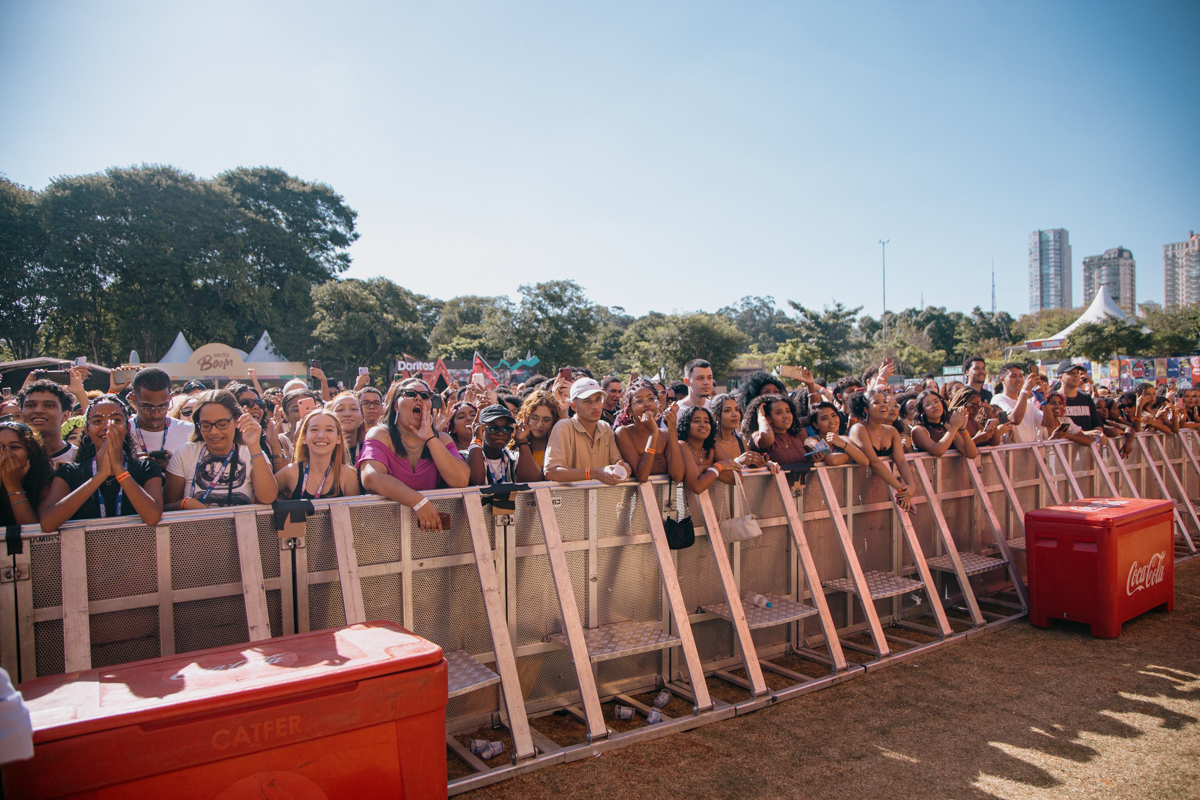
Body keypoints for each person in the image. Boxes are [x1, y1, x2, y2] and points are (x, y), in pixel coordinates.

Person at [359, 379, 470, 532]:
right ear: (396, 405)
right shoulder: (380, 434)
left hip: (427, 533)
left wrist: (430, 439)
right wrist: (418, 502)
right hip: (383, 532)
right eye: (410, 394)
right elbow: (371, 477)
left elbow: (461, 480)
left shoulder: (441, 439)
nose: (419, 398)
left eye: (425, 395)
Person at [39, 395, 163, 529]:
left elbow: (152, 517)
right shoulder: (69, 472)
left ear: (127, 427)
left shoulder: (147, 468)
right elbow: (47, 523)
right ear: (86, 430)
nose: (107, 427)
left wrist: (118, 468)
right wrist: (100, 476)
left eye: (116, 420)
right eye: (97, 421)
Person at [164, 390, 279, 510]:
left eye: (222, 424)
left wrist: (254, 446)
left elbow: (268, 497)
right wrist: (185, 504)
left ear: (236, 420)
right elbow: (167, 507)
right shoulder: (185, 453)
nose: (214, 432)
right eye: (206, 425)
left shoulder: (251, 453)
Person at [543, 378, 632, 484]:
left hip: (604, 498)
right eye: (587, 401)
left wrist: (624, 468)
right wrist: (594, 473)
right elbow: (550, 472)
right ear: (574, 406)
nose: (595, 406)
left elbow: (617, 462)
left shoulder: (605, 427)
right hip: (572, 499)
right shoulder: (563, 427)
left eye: (598, 400)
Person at [846, 390, 916, 511]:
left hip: (884, 491)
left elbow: (901, 461)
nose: (883, 405)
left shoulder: (892, 431)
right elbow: (874, 462)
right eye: (876, 402)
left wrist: (911, 486)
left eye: (885, 401)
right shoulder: (859, 429)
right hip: (857, 490)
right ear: (866, 409)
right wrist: (901, 490)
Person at [273, 409, 360, 500]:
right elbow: (263, 499)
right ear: (304, 438)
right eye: (314, 430)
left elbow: (355, 513)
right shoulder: (290, 472)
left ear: (338, 438)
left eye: (329, 430)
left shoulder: (348, 474)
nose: (321, 435)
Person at [614, 381, 684, 483]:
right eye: (639, 401)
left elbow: (677, 477)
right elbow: (642, 476)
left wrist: (672, 429)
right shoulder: (623, 433)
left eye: (651, 399)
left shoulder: (665, 435)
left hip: (664, 498)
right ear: (630, 412)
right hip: (635, 498)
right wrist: (653, 433)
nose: (647, 404)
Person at [128, 368, 194, 473]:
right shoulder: (122, 432)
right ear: (133, 399)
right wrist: (132, 465)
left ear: (170, 397)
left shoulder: (190, 431)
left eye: (163, 406)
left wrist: (176, 465)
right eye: (146, 407)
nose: (156, 414)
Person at [0, 422, 55, 527]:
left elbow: (33, 537)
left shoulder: (48, 483)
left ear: (31, 453)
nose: (4, 452)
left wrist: (13, 486)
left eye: (14, 447)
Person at [228, 382, 291, 472]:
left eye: (259, 403)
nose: (256, 407)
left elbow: (284, 481)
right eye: (247, 403)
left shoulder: (267, 441)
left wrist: (274, 445)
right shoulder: (223, 440)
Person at [677, 405, 739, 494]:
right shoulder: (682, 445)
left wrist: (706, 468)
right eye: (696, 421)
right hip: (684, 505)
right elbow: (697, 487)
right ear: (686, 426)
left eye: (706, 421)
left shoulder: (712, 446)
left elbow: (737, 478)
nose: (703, 425)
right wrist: (718, 467)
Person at [17, 380, 77, 466]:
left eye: (49, 405)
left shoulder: (79, 457)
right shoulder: (11, 457)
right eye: (30, 405)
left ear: (65, 415)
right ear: (21, 415)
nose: (38, 410)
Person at [744, 393, 808, 464]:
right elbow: (767, 437)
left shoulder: (797, 435)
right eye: (779, 413)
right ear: (768, 418)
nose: (785, 415)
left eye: (788, 411)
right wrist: (761, 417)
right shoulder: (757, 435)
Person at [707, 393, 768, 469]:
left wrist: (760, 464)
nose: (735, 414)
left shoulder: (742, 443)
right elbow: (708, 471)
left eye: (736, 409)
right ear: (715, 417)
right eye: (727, 410)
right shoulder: (708, 443)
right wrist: (738, 461)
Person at [512, 389, 561, 482]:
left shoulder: (559, 445)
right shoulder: (514, 443)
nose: (539, 425)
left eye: (546, 420)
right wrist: (522, 441)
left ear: (554, 421)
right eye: (534, 418)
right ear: (525, 416)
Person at [466, 405, 521, 486]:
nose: (500, 433)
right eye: (493, 428)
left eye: (506, 429)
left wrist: (522, 441)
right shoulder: (466, 457)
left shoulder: (515, 458)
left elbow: (532, 481)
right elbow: (476, 482)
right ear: (480, 429)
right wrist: (476, 440)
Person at [911, 389, 976, 458]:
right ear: (922, 411)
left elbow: (972, 454)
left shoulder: (947, 428)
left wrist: (963, 429)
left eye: (936, 401)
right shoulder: (918, 430)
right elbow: (938, 451)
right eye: (928, 404)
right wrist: (954, 427)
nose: (934, 406)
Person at [990, 363, 1042, 444]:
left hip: (1031, 454)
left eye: (1020, 376)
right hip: (1012, 454)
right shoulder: (998, 399)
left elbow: (1047, 422)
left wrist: (1044, 399)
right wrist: (1025, 392)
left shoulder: (1028, 403)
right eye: (1013, 376)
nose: (1019, 379)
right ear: (1002, 379)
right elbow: (1015, 419)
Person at [805, 401, 867, 467]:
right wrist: (852, 455)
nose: (832, 421)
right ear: (816, 425)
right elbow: (832, 460)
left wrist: (842, 443)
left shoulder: (843, 439)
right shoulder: (812, 440)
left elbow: (865, 461)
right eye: (825, 418)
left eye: (834, 416)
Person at [1057, 364, 1104, 436]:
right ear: (1060, 378)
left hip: (1088, 445)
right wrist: (1085, 434)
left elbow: (1097, 424)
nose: (1076, 376)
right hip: (1062, 446)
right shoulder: (1054, 399)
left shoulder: (1086, 398)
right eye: (1071, 373)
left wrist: (1098, 434)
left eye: (1077, 373)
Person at [328, 392, 367, 465]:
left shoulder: (368, 449)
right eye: (340, 410)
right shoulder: (323, 448)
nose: (347, 414)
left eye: (353, 409)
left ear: (362, 419)